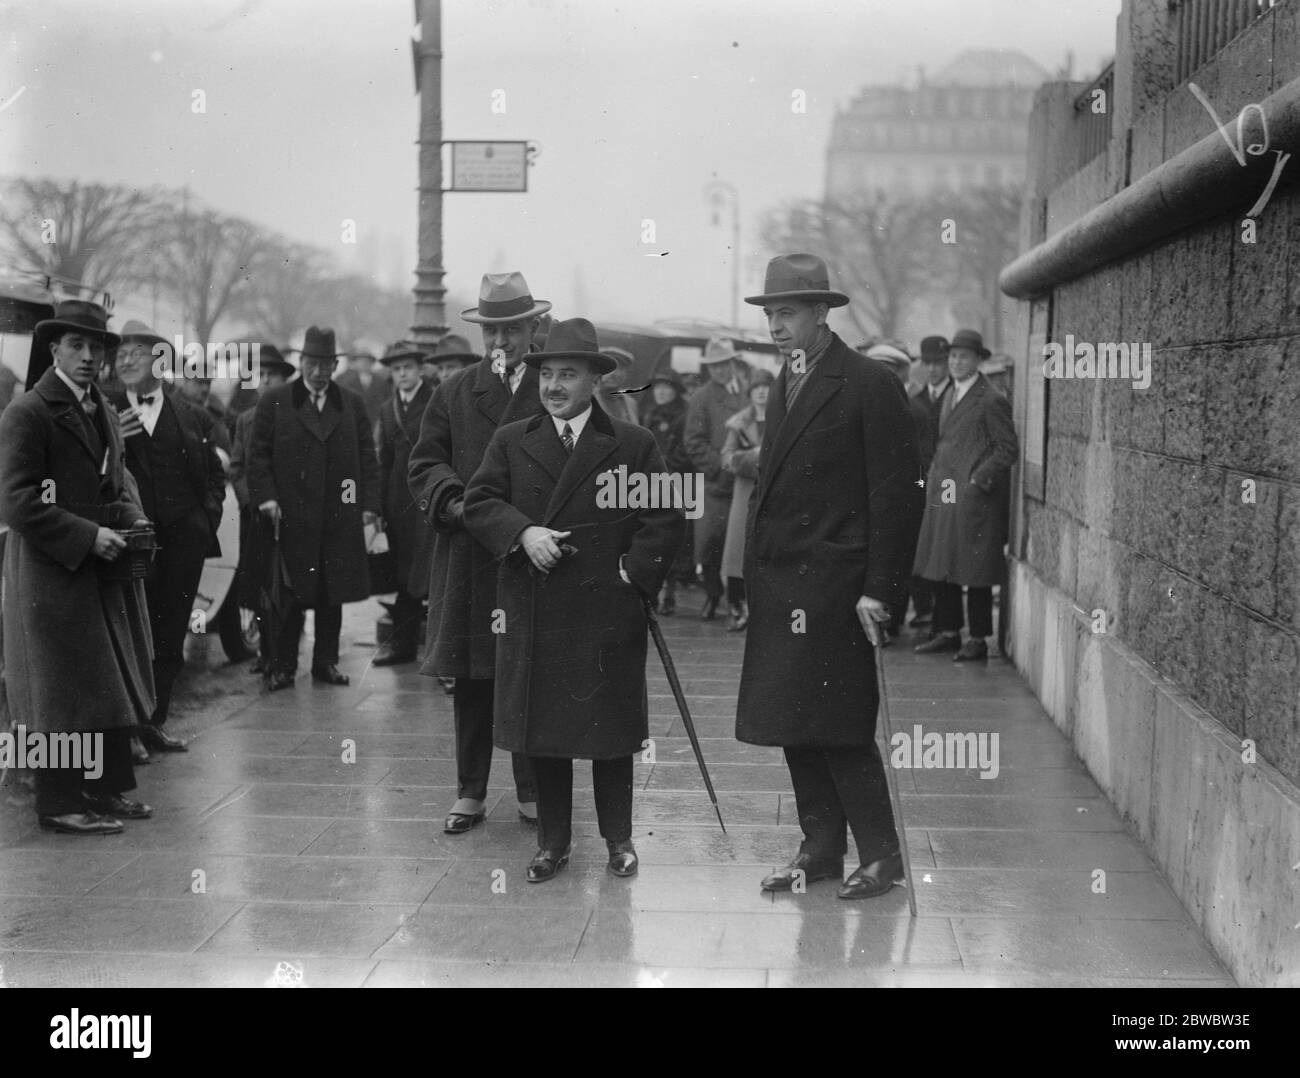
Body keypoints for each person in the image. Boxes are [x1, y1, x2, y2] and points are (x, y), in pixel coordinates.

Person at [464, 318, 685, 882]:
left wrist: (631, 577)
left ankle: (619, 840)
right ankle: (553, 842)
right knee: (546, 733)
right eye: (547, 374)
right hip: (537, 610)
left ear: (593, 382)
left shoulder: (633, 444)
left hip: (606, 611)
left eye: (568, 374)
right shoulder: (512, 441)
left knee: (609, 733)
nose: (554, 385)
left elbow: (664, 519)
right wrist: (523, 533)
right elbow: (479, 501)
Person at [735, 254, 922, 900]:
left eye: (787, 314)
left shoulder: (868, 383)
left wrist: (880, 589)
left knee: (840, 725)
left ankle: (882, 855)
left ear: (822, 314)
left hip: (839, 590)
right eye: (770, 314)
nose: (776, 326)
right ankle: (819, 850)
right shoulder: (786, 381)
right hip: (783, 583)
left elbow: (896, 497)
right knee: (793, 720)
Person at [0, 300, 156, 834]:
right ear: (54, 350)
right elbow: (17, 500)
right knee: (59, 688)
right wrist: (88, 536)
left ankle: (104, 790)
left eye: (96, 347)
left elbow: (118, 482)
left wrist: (132, 519)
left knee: (101, 677)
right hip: (50, 569)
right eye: (77, 346)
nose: (89, 357)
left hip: (96, 565)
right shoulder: (29, 412)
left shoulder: (103, 409)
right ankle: (60, 803)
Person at [407, 271, 548, 833]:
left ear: (533, 327)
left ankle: (534, 789)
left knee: (529, 673)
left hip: (533, 555)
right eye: (493, 331)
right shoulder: (455, 391)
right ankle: (470, 790)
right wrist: (457, 506)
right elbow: (424, 464)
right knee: (472, 675)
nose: (502, 343)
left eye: (512, 330)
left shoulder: (553, 385)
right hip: (469, 555)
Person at [104, 321, 226, 754]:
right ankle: (126, 733)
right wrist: (113, 440)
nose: (126, 359)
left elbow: (215, 474)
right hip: (126, 544)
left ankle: (154, 723)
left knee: (170, 634)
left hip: (182, 544)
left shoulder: (192, 416)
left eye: (137, 352)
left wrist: (203, 521)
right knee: (125, 635)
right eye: (121, 353)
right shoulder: (105, 409)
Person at [247, 325, 380, 690]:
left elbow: (368, 457)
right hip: (290, 518)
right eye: (313, 363)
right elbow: (256, 457)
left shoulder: (350, 402)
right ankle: (284, 665)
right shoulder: (276, 399)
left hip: (338, 517)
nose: (319, 372)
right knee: (288, 597)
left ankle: (325, 663)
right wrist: (267, 498)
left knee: (331, 594)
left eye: (326, 364)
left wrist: (368, 505)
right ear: (302, 362)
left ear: (334, 365)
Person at [912, 328, 1018, 662]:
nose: (956, 362)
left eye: (963, 357)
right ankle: (947, 631)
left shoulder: (990, 399)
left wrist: (977, 481)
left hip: (972, 498)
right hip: (944, 491)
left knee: (975, 567)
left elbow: (1007, 449)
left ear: (978, 361)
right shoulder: (951, 394)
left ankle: (977, 638)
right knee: (942, 559)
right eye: (953, 356)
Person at [228, 343, 295, 674]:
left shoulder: (295, 416)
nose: (265, 381)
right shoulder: (246, 420)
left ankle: (283, 656)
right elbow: (237, 467)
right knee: (257, 585)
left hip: (287, 517)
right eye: (261, 375)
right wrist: (252, 502)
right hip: (256, 518)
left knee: (284, 588)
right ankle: (265, 653)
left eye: (273, 375)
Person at [860, 341, 931, 643]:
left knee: (898, 555)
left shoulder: (914, 409)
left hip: (902, 494)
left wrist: (914, 486)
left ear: (900, 372)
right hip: (874, 495)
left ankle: (892, 620)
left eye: (888, 370)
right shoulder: (867, 405)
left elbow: (922, 457)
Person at [373, 341, 434, 666]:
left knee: (430, 575)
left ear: (420, 368)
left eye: (408, 367)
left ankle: (439, 655)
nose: (403, 374)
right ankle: (403, 648)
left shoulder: (435, 399)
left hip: (428, 496)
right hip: (398, 502)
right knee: (401, 575)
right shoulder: (388, 408)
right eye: (396, 370)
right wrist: (380, 507)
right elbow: (383, 459)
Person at [684, 337, 747, 622]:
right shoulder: (701, 397)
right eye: (714, 366)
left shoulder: (750, 392)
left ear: (733, 362)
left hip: (746, 482)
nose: (720, 370)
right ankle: (711, 594)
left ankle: (736, 600)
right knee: (709, 542)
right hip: (713, 485)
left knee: (739, 543)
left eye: (724, 364)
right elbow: (693, 442)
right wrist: (719, 468)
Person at [719, 367, 774, 632]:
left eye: (766, 387)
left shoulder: (783, 418)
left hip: (774, 492)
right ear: (750, 392)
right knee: (738, 547)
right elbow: (727, 457)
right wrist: (751, 457)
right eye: (756, 387)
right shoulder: (739, 422)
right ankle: (738, 607)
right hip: (745, 491)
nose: (762, 392)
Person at [641, 369, 693, 615]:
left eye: (667, 387)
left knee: (672, 536)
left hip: (676, 480)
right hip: (649, 482)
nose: (661, 392)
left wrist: (666, 464)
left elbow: (685, 451)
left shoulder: (683, 416)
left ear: (675, 391)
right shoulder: (650, 414)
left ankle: (668, 593)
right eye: (658, 387)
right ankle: (654, 590)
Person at [908, 335, 950, 629]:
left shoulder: (955, 397)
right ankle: (923, 608)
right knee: (918, 542)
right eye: (928, 363)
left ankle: (942, 613)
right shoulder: (916, 401)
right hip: (921, 482)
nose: (933, 369)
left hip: (948, 483)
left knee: (943, 544)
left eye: (939, 363)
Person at [174, 374, 233, 455]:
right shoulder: (172, 408)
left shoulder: (216, 407)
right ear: (187, 381)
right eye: (200, 382)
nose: (205, 388)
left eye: (208, 383)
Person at [335, 349, 390, 428]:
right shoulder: (346, 381)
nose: (364, 364)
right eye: (361, 361)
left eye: (367, 361)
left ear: (372, 363)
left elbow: (387, 402)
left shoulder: (381, 382)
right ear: (355, 363)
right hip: (353, 422)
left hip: (375, 423)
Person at [594, 346, 641, 424]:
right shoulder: (584, 400)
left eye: (619, 368)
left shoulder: (631, 404)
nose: (613, 374)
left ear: (625, 375)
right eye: (608, 368)